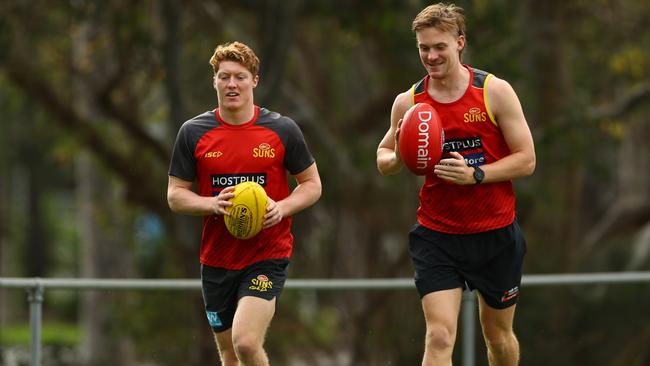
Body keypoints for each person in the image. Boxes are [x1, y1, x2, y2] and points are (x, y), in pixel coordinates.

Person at [377, 3, 535, 366]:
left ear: (459, 43)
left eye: (439, 47)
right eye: (423, 48)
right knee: (440, 335)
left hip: (495, 234)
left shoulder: (493, 92)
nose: (431, 56)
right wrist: (399, 156)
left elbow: (527, 159)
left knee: (497, 337)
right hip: (438, 236)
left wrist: (476, 175)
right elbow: (383, 157)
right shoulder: (410, 102)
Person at [167, 41, 321, 366]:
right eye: (224, 77)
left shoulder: (281, 130)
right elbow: (175, 194)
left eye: (239, 76)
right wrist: (210, 205)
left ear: (255, 80)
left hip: (266, 255)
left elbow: (312, 185)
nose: (232, 84)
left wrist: (283, 208)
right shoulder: (193, 132)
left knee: (246, 343)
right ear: (214, 81)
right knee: (228, 355)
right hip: (217, 260)